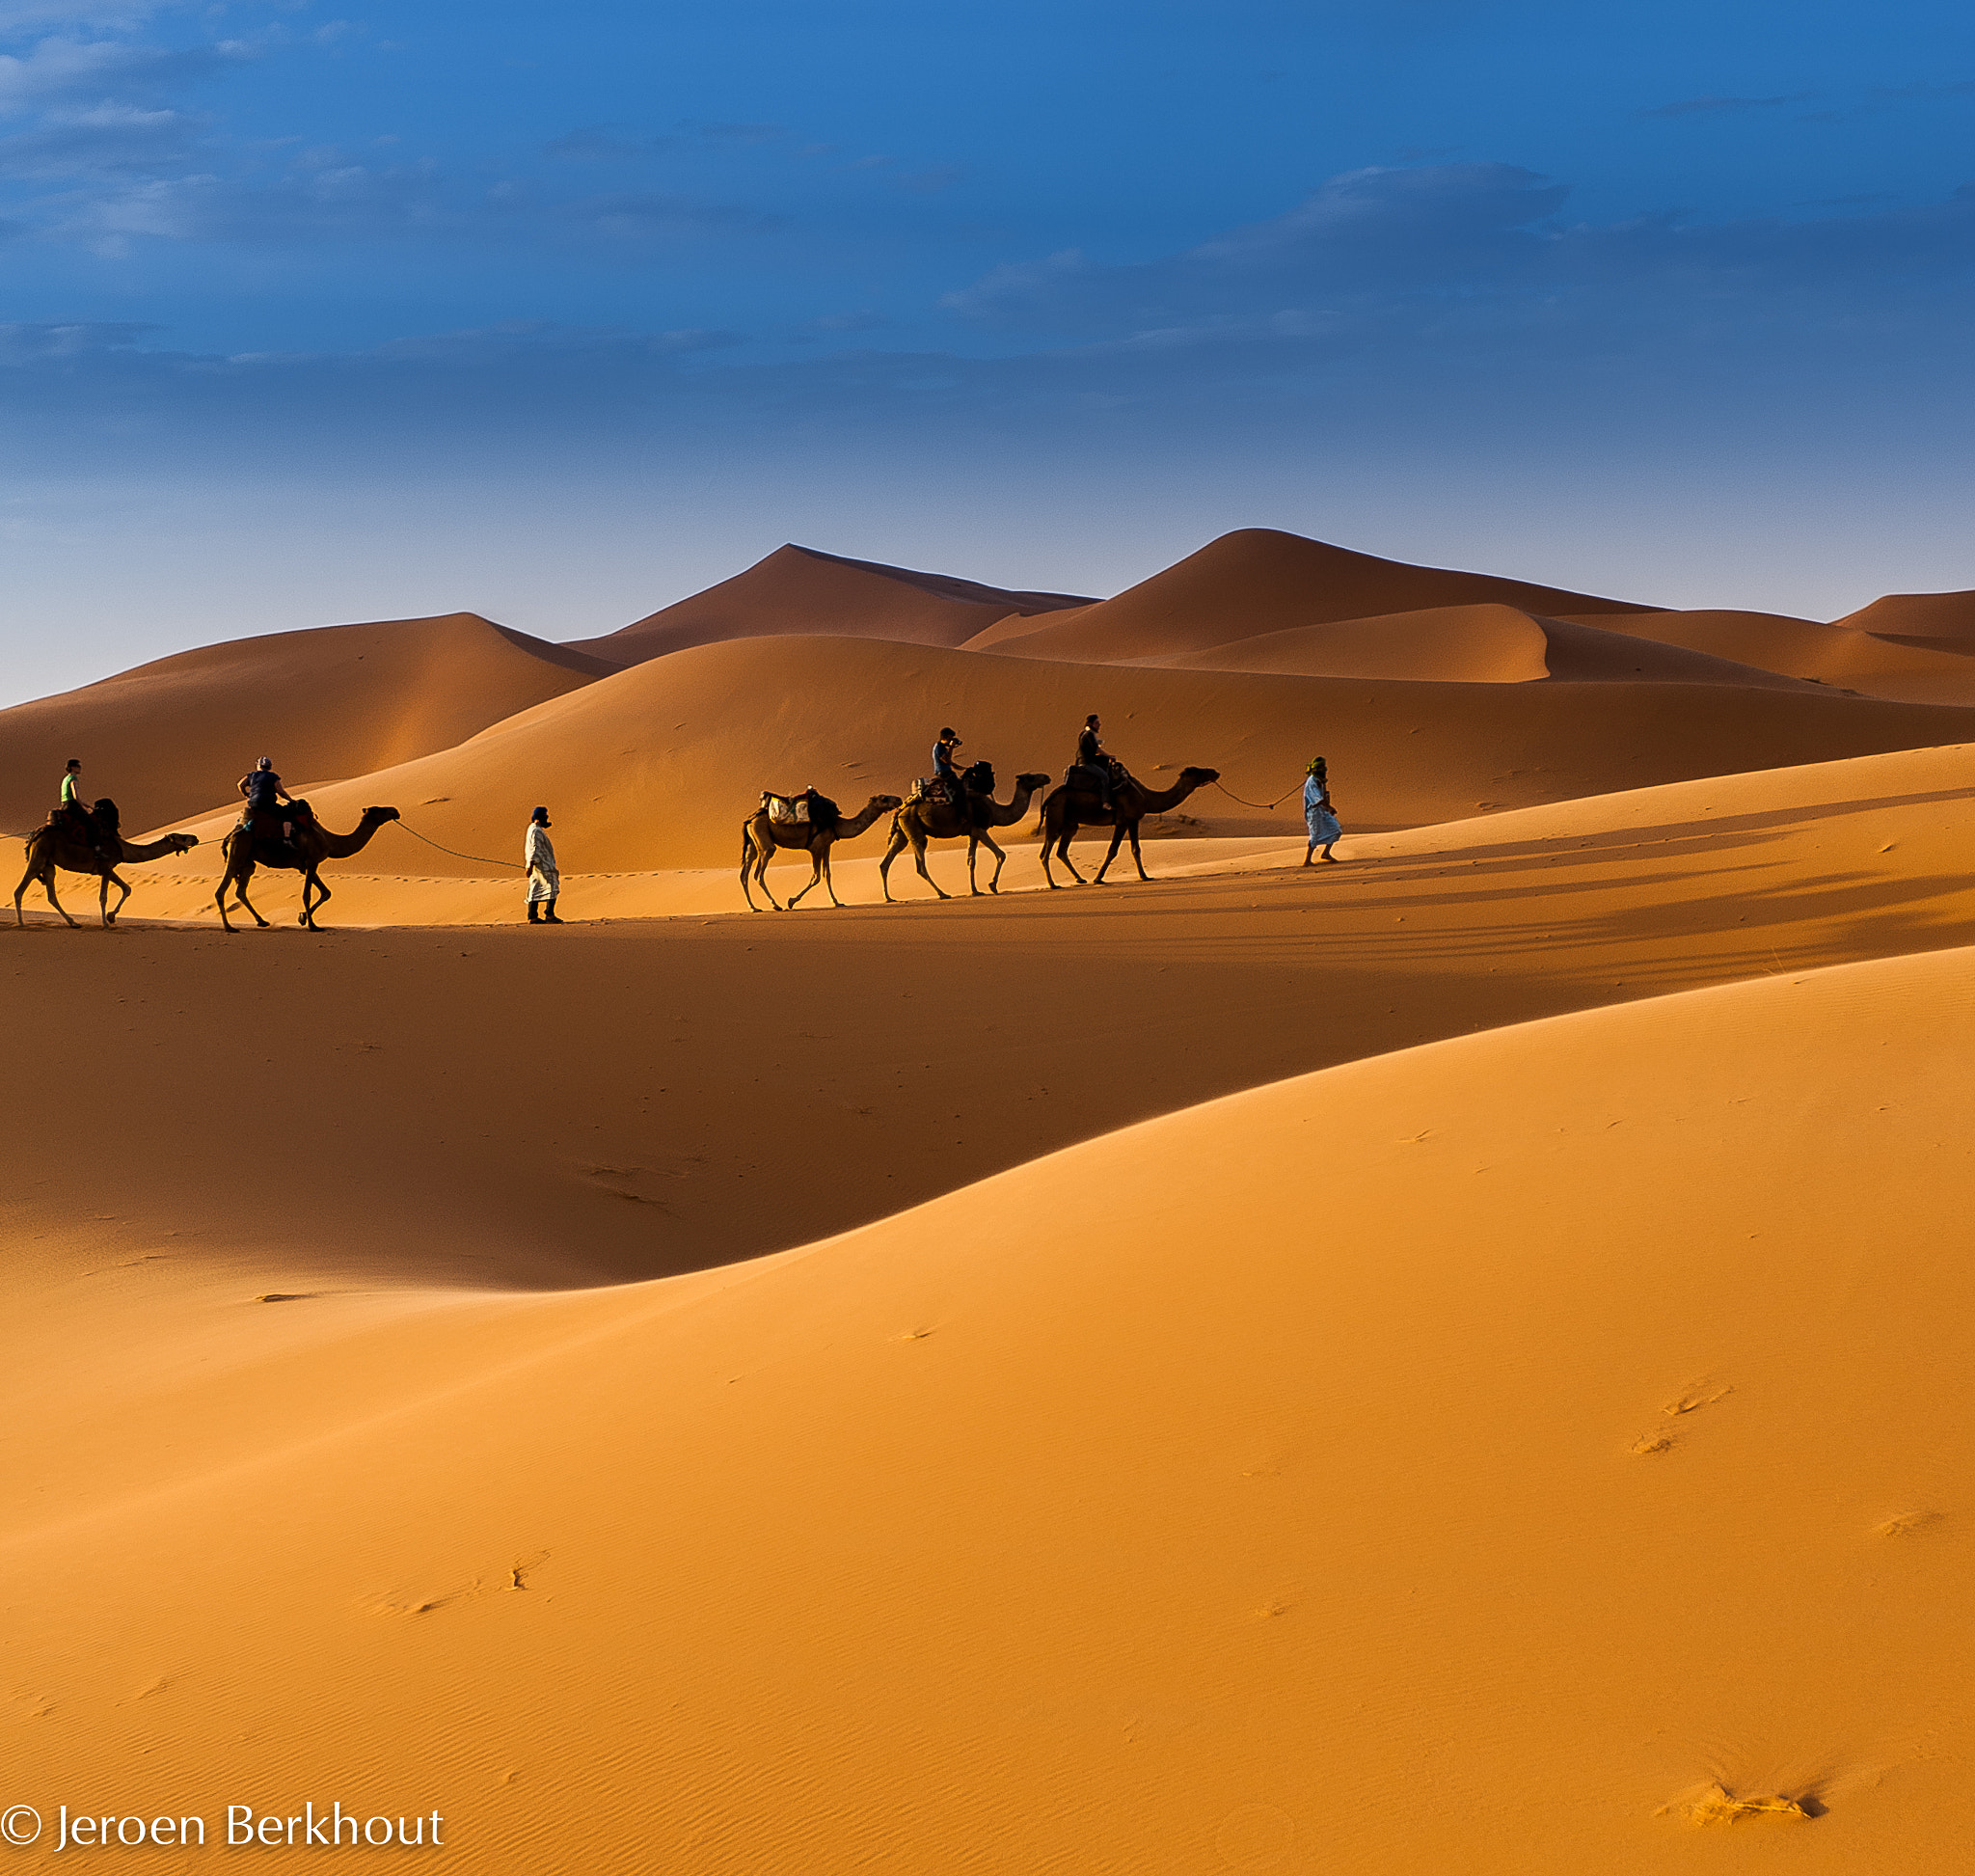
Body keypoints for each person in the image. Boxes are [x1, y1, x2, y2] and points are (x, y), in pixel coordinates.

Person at [237, 756, 295, 845]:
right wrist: (291, 800)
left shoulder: (251, 775)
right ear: (269, 767)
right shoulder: (273, 777)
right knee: (286, 814)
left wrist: (246, 794)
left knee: (242, 818)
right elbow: (280, 791)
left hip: (253, 805)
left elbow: (240, 784)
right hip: (268, 805)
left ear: (259, 766)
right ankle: (287, 839)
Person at [525, 805, 561, 924]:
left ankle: (533, 916)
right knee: (552, 887)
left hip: (538, 864)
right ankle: (549, 915)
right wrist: (531, 864)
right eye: (545, 815)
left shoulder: (533, 828)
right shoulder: (536, 831)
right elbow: (535, 848)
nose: (547, 817)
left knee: (535, 889)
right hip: (543, 865)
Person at [1303, 756, 1342, 865]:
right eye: (1321, 767)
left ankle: (1325, 853)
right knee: (1315, 834)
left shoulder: (1320, 780)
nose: (1324, 769)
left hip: (1323, 810)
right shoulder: (1312, 781)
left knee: (1336, 829)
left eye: (1324, 766)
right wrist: (1329, 807)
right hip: (1314, 812)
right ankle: (1307, 861)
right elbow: (1317, 799)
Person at [1073, 714, 1114, 811]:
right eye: (1097, 723)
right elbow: (1096, 749)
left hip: (1083, 762)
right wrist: (1109, 756)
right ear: (1090, 724)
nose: (1099, 725)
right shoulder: (1089, 734)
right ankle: (1105, 802)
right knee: (1105, 777)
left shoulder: (1084, 734)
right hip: (1087, 763)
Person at [932, 727, 965, 816]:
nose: (951, 740)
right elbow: (947, 761)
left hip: (948, 772)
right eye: (950, 738)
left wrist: (964, 769)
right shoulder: (939, 747)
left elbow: (951, 763)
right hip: (943, 773)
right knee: (960, 790)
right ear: (946, 737)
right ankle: (960, 815)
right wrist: (951, 748)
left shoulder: (942, 747)